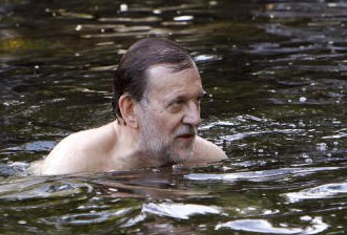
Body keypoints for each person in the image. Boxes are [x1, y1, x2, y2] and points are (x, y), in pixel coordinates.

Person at [35, 37, 227, 175]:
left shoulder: (210, 159)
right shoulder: (72, 165)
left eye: (198, 100)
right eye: (177, 103)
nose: (196, 119)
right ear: (129, 110)